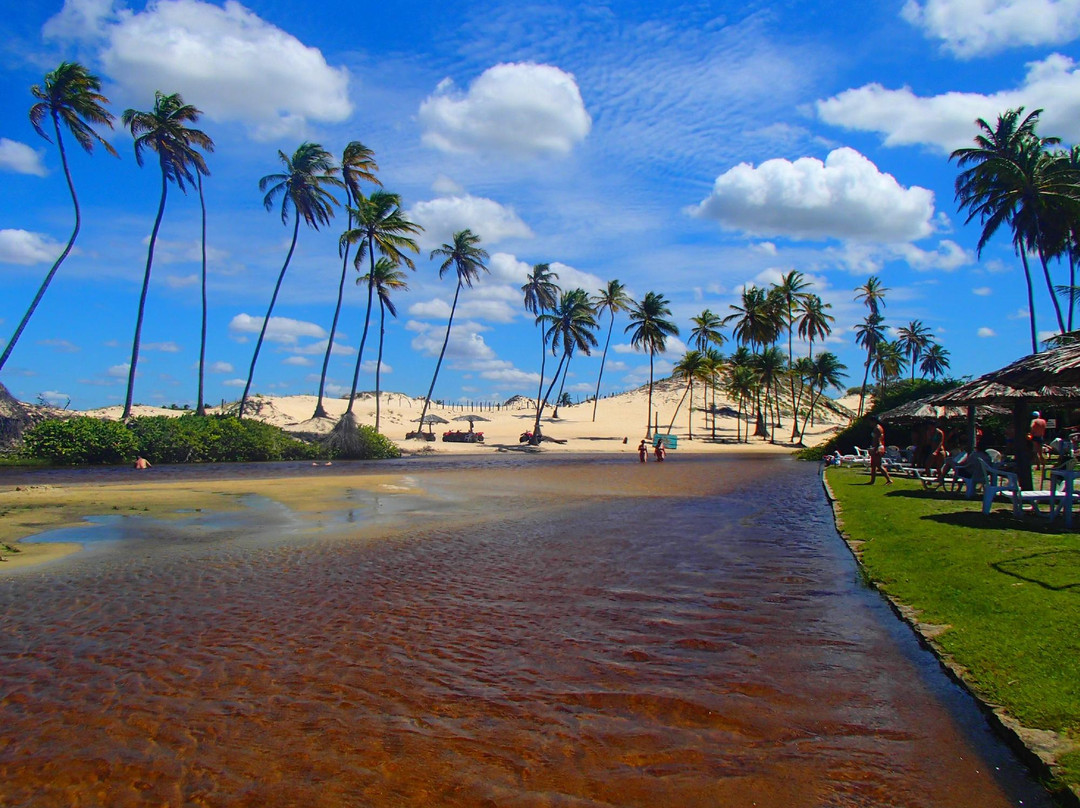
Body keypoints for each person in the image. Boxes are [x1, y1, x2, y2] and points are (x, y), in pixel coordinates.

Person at [867, 415, 892, 485]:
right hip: (875, 447)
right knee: (873, 465)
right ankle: (872, 481)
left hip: (877, 448)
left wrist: (875, 448)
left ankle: (889, 479)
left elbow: (878, 440)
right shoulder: (876, 428)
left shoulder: (877, 428)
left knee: (878, 465)